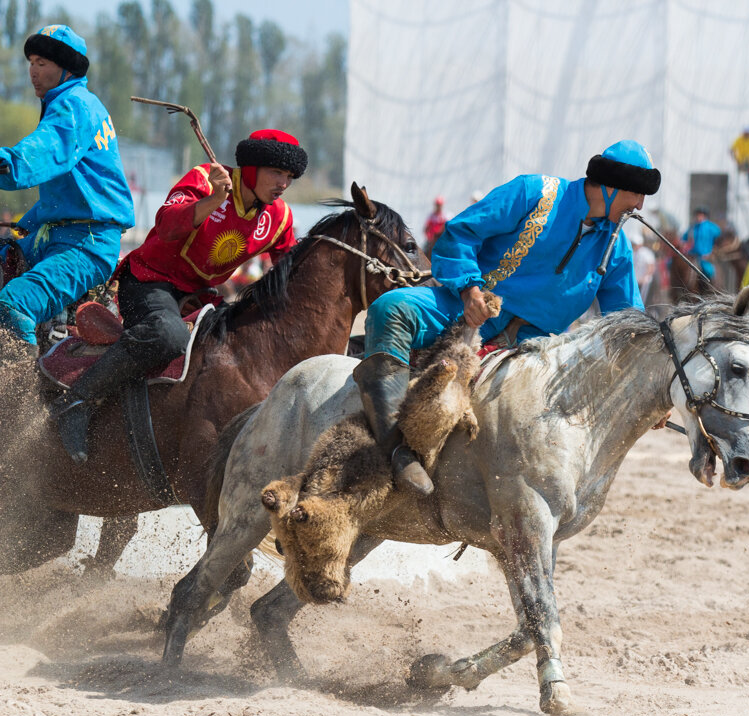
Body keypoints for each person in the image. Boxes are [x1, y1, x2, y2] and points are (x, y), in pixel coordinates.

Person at [359, 139, 656, 493]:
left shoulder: (617, 246)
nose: (639, 206)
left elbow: (626, 322)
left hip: (537, 350)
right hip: (467, 312)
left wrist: (646, 379)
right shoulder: (535, 193)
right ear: (609, 187)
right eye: (636, 194)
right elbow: (461, 233)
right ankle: (394, 450)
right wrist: (470, 291)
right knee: (389, 309)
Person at [51, 129, 306, 464]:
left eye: (289, 176)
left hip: (201, 299)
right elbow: (167, 226)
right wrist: (213, 201)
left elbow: (295, 274)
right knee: (167, 335)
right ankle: (77, 402)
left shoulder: (280, 218)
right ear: (250, 169)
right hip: (149, 281)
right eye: (277, 173)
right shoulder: (203, 179)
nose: (283, 183)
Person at [0, 24, 134, 359]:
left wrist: (7, 163)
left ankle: (22, 398)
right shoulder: (69, 104)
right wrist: (21, 228)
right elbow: (61, 199)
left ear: (67, 68)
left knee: (12, 303)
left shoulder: (74, 106)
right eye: (31, 61)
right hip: (54, 235)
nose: (33, 70)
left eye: (42, 63)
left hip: (87, 243)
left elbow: (37, 155)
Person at [682, 207, 722, 280]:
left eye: (701, 215)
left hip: (705, 257)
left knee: (709, 272)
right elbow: (683, 239)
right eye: (697, 215)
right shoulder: (692, 227)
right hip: (692, 256)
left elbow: (720, 240)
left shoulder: (712, 227)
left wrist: (713, 252)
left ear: (705, 216)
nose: (698, 217)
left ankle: (710, 289)